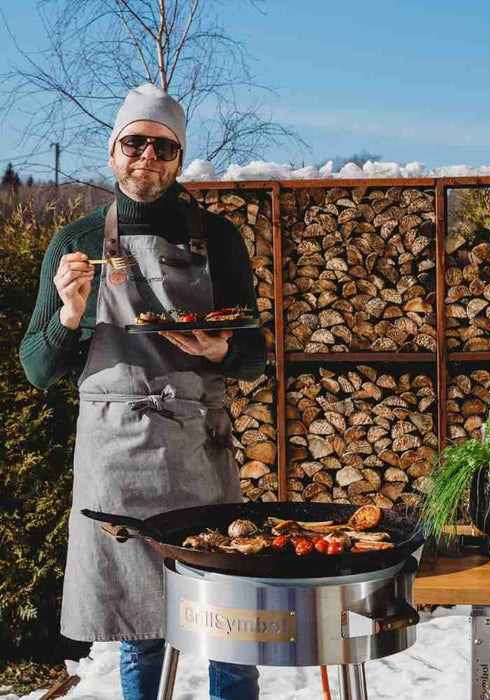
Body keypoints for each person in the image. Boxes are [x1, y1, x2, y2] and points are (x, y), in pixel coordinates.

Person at [20, 83, 266, 700]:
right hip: (116, 458)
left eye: (163, 146)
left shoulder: (219, 238)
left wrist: (221, 350)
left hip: (199, 452)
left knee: (227, 622)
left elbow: (255, 356)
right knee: (141, 627)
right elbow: (37, 368)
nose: (147, 156)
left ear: (179, 159)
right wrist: (69, 315)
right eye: (135, 142)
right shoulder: (74, 242)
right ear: (113, 152)